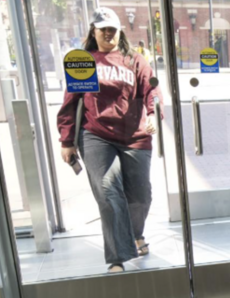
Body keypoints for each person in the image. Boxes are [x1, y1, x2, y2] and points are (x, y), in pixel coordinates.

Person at [57, 8, 160, 273]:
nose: (107, 33)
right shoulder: (85, 61)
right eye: (102, 28)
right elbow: (70, 104)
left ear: (119, 31)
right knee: (107, 192)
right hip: (96, 135)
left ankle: (136, 234)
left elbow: (152, 91)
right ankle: (117, 257)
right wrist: (67, 140)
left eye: (112, 29)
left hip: (135, 136)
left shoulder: (135, 60)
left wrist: (153, 114)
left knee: (140, 196)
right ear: (93, 31)